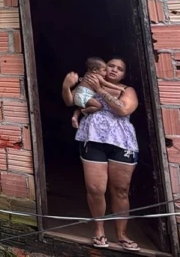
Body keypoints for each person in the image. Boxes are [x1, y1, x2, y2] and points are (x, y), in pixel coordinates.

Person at [61, 58, 140, 251]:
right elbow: (71, 102)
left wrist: (102, 89)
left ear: (124, 74)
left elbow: (123, 110)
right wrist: (66, 86)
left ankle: (122, 235)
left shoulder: (127, 91)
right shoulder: (90, 84)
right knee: (96, 189)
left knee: (121, 189)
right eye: (111, 66)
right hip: (93, 140)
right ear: (103, 69)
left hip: (122, 143)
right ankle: (99, 231)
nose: (114, 70)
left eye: (120, 69)